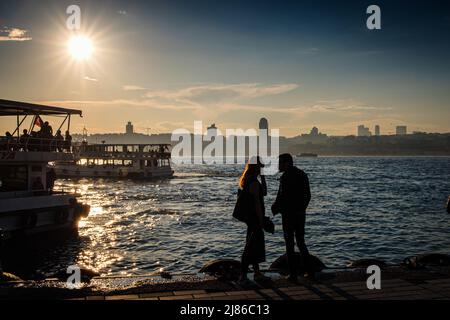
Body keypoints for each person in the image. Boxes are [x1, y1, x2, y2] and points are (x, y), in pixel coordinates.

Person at [272, 153, 312, 283]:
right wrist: (302, 209)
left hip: (288, 215)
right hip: (300, 214)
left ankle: (293, 274)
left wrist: (276, 208)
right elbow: (308, 195)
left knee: (289, 244)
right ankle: (309, 271)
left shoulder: (285, 177)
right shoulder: (302, 174)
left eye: (280, 163)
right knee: (301, 242)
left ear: (286, 163)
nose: (278, 166)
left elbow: (282, 197)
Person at [238, 156, 270, 284]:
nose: (261, 168)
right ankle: (243, 276)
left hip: (251, 219)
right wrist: (261, 220)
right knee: (250, 247)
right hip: (255, 219)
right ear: (255, 166)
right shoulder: (253, 183)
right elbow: (257, 203)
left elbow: (265, 193)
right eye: (260, 166)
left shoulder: (248, 180)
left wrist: (262, 176)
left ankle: (256, 273)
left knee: (253, 245)